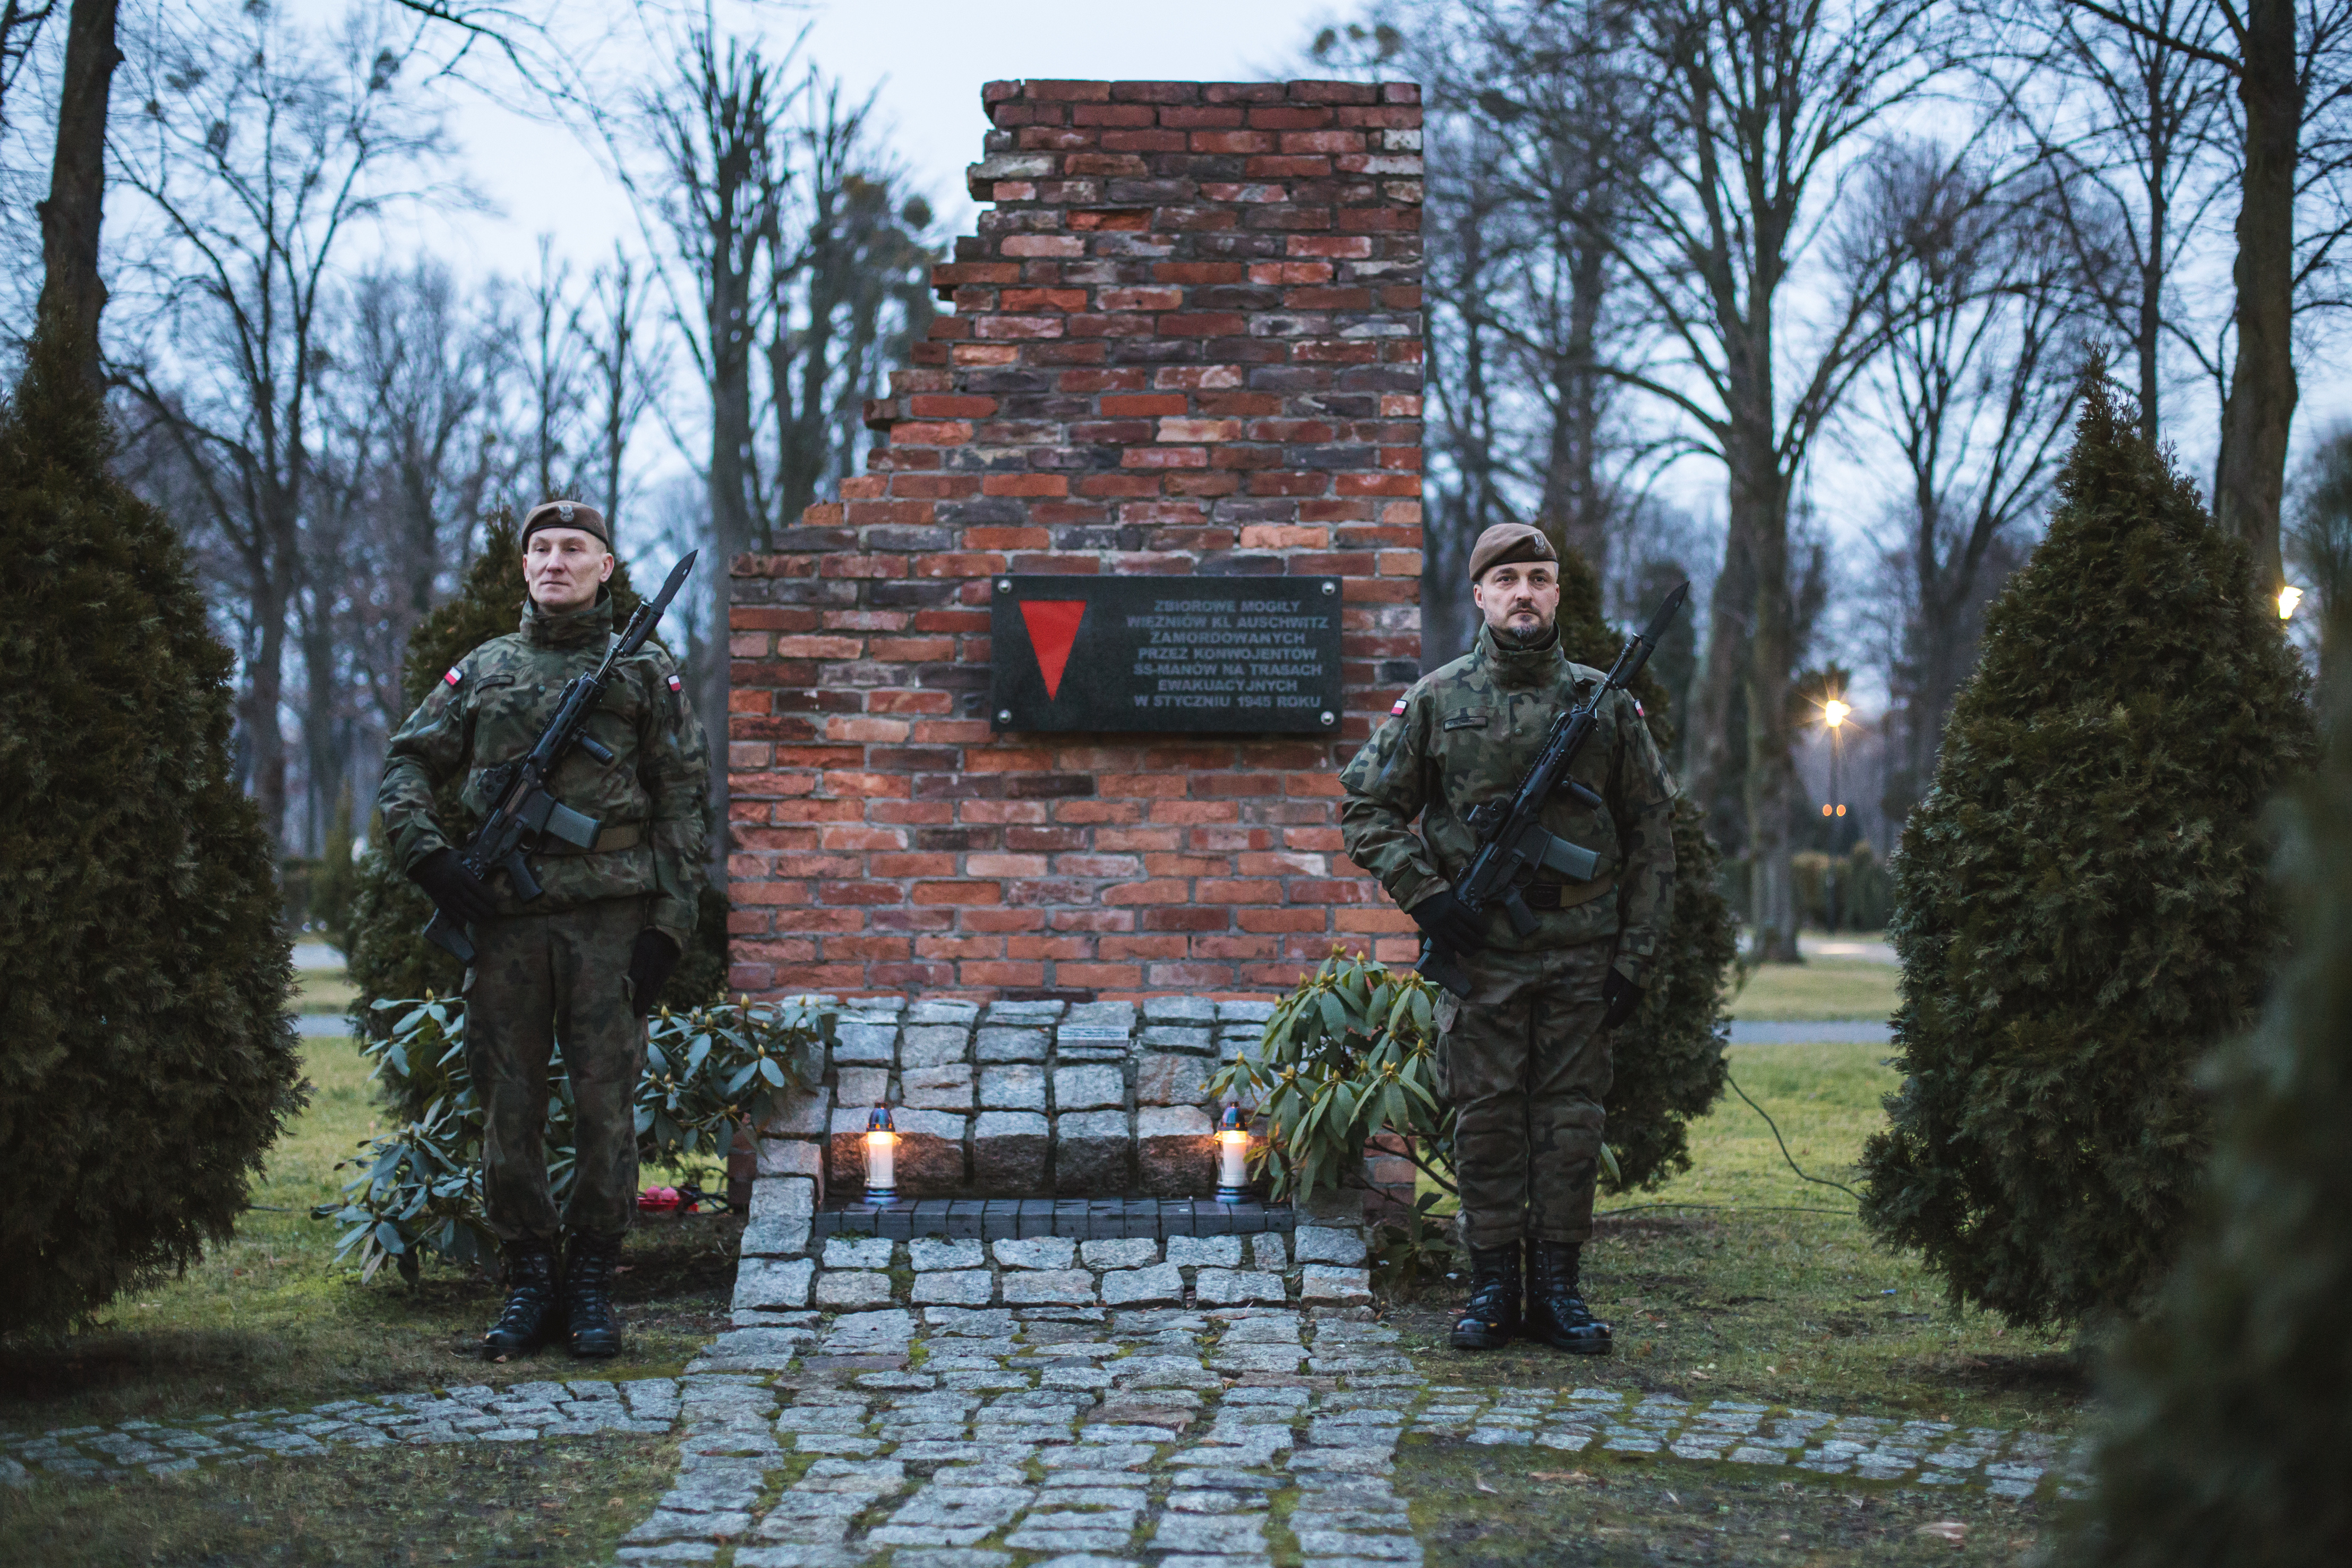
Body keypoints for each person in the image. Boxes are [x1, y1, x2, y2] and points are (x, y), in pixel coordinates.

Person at [377, 500, 710, 1358]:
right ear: (523, 568)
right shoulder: (482, 670)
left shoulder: (643, 672)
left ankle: (593, 1283)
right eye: (540, 550)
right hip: (505, 931)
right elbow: (408, 762)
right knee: (508, 1109)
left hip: (610, 925)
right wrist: (432, 859)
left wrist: (668, 927)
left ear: (606, 566)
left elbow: (682, 804)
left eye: (574, 548)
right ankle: (530, 1279)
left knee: (606, 1109)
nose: (554, 561)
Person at [1339, 521, 1676, 1354]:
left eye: (1538, 576)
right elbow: (1365, 807)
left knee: (1569, 1122)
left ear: (1557, 592)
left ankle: (1558, 1292)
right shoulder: (1437, 700)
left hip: (1581, 956)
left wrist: (1633, 959)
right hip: (1481, 952)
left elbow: (1653, 835)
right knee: (1486, 1121)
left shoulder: (1605, 704)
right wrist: (1429, 897)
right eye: (1507, 579)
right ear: (1481, 596)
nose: (1523, 591)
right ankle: (1492, 1288)